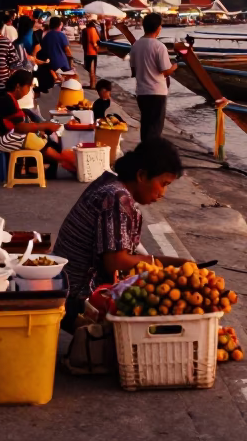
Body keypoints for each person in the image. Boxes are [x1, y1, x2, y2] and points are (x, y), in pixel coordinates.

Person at [53, 138, 185, 332]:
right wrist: (165, 265)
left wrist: (177, 264)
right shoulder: (116, 197)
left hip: (63, 288)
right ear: (141, 175)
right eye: (163, 184)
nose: (162, 193)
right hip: (76, 299)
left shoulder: (109, 184)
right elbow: (116, 262)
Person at [0, 70, 76, 173]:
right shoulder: (6, 99)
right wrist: (45, 126)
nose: (29, 91)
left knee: (35, 137)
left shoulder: (6, 96)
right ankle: (63, 160)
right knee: (31, 139)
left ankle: (60, 160)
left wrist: (39, 129)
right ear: (18, 86)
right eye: (28, 87)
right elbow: (20, 127)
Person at [128, 12, 178, 142]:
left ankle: (144, 150)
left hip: (141, 92)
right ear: (158, 28)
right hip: (156, 92)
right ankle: (151, 152)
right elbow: (165, 71)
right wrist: (175, 66)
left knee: (146, 125)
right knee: (155, 127)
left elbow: (133, 71)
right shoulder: (159, 46)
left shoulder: (135, 46)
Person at [35, 16, 73, 90]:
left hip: (50, 63)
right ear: (59, 25)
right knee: (67, 83)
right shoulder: (61, 35)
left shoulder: (46, 36)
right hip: (62, 63)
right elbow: (67, 49)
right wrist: (71, 59)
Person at [82, 19, 101, 88]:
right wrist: (98, 49)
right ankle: (93, 85)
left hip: (87, 52)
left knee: (90, 69)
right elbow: (94, 42)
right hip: (92, 52)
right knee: (92, 69)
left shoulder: (85, 30)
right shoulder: (92, 30)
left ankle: (92, 84)